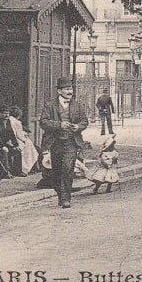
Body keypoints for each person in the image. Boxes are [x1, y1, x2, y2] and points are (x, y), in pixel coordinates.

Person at [39, 77, 90, 208]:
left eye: (71, 89)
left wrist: (77, 127)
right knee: (56, 171)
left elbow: (84, 121)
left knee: (68, 169)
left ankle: (66, 198)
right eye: (67, 89)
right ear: (59, 91)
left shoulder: (77, 105)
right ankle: (60, 194)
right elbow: (43, 122)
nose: (70, 92)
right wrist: (59, 125)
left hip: (71, 142)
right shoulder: (50, 105)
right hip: (55, 142)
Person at [7, 106, 37, 175]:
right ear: (18, 115)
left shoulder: (10, 120)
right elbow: (19, 135)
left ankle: (27, 168)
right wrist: (24, 138)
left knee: (29, 146)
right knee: (29, 147)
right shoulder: (17, 122)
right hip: (15, 139)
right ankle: (25, 169)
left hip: (12, 138)